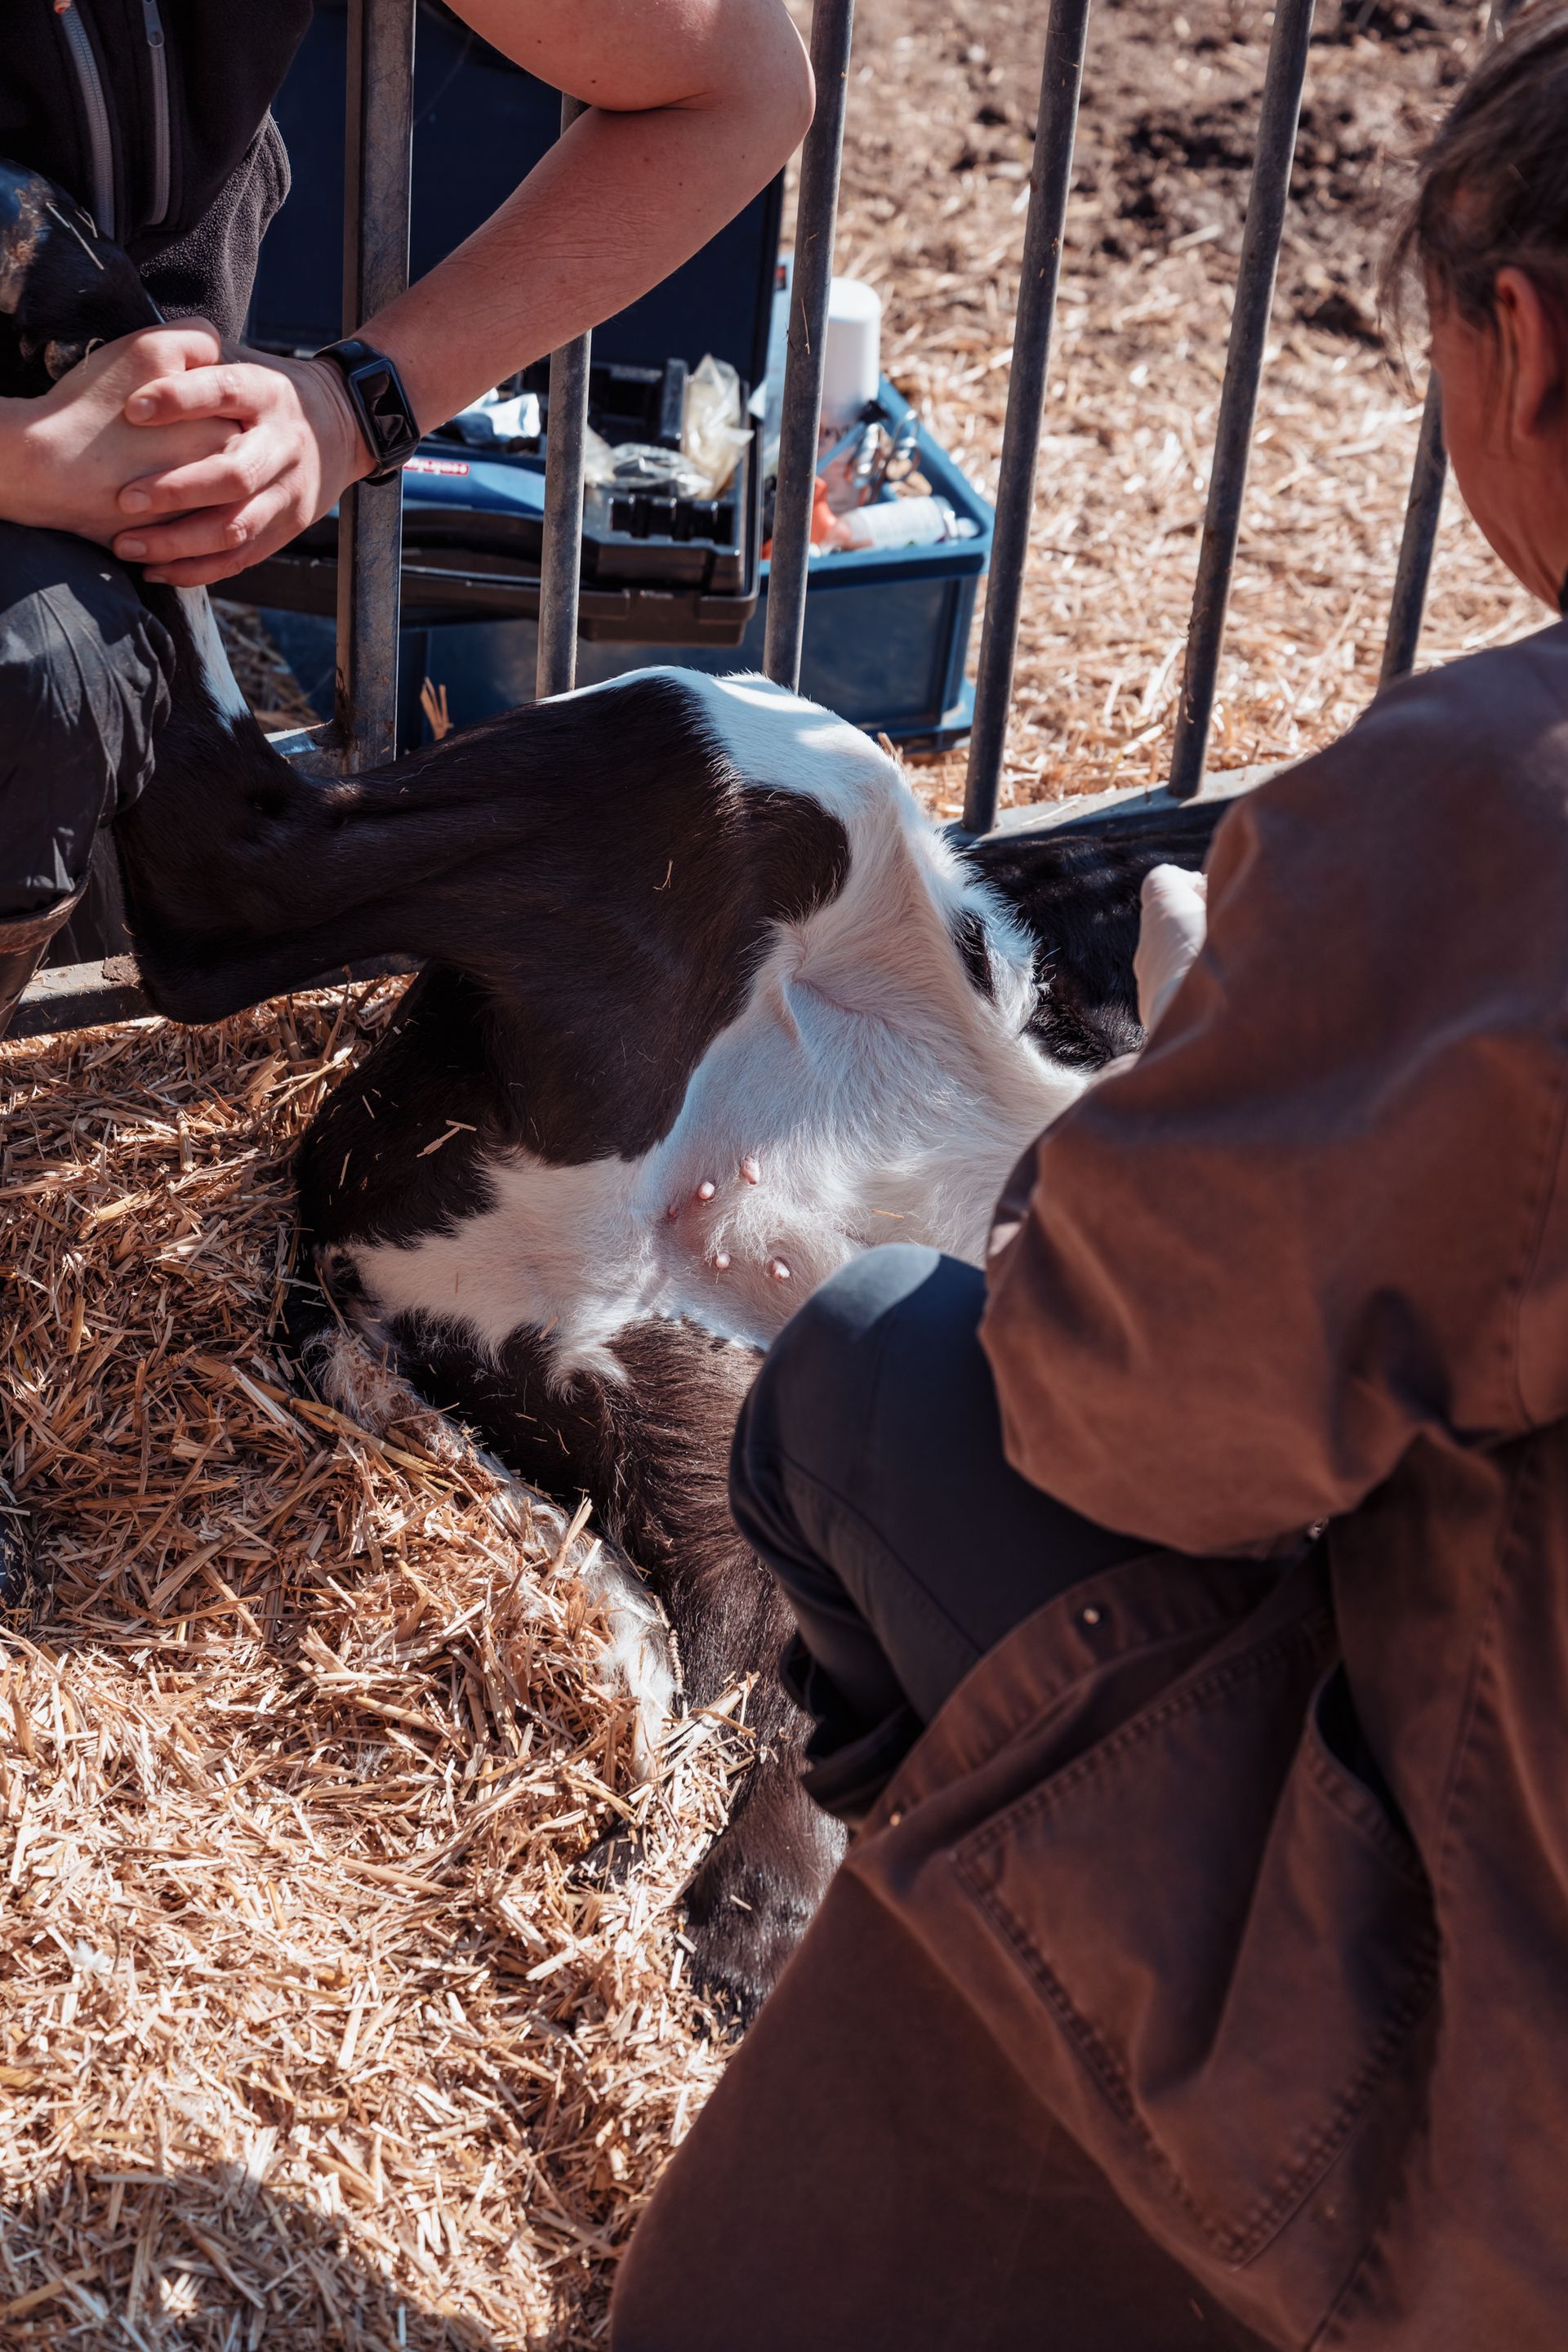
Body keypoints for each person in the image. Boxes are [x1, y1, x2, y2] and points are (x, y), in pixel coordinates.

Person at [611, 7, 1568, 2348]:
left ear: (1520, 345)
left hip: (1486, 2090)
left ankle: (978, 1980)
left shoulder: (1499, 809)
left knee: (857, 1385)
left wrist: (1216, 1086)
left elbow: (1123, 1411)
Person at [0, 0, 813, 1030]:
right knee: (39, 673)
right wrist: (25, 462)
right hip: (54, 505)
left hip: (122, 460)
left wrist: (355, 404)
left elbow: (739, 85)